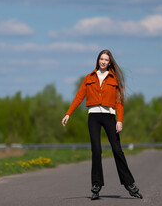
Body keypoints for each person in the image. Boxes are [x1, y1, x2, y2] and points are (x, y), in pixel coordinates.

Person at [61, 49, 143, 200]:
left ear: (110, 62)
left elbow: (119, 102)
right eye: (101, 59)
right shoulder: (89, 77)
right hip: (93, 116)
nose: (103, 62)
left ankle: (129, 184)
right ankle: (96, 185)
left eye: (106, 60)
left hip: (110, 116)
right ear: (98, 60)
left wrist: (119, 120)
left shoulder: (114, 79)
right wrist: (68, 113)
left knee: (117, 150)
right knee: (96, 150)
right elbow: (79, 96)